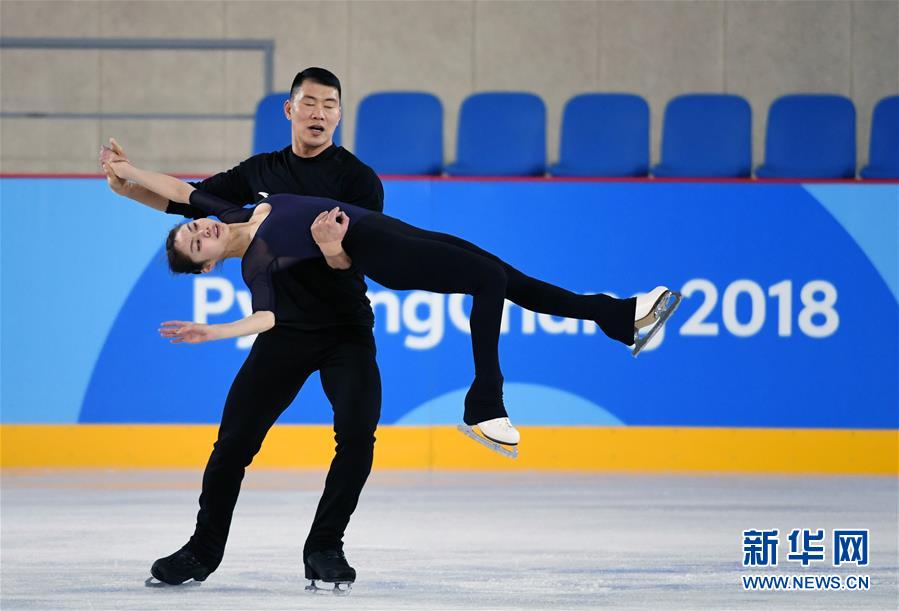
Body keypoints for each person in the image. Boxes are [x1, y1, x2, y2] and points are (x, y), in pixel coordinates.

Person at [106, 158, 681, 461]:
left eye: (193, 229)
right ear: (208, 265)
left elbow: (178, 191)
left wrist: (128, 175)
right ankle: (485, 405)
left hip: (394, 230)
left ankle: (619, 316)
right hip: (384, 255)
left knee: (509, 280)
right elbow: (268, 319)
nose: (199, 228)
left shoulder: (229, 209)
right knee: (486, 278)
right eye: (197, 243)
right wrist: (214, 331)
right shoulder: (260, 263)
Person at [100, 68, 383, 590]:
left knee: (358, 438)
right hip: (283, 332)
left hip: (344, 326)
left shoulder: (358, 180)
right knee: (232, 444)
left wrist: (329, 250)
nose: (319, 113)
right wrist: (128, 181)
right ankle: (201, 552)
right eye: (309, 103)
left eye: (330, 105)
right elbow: (190, 200)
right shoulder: (262, 170)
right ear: (290, 109)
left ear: (340, 114)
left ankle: (324, 547)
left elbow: (356, 256)